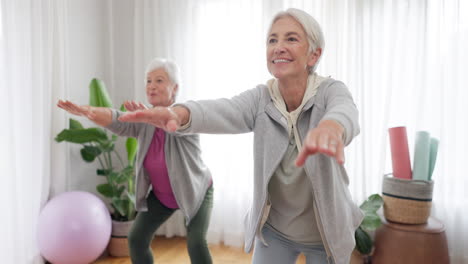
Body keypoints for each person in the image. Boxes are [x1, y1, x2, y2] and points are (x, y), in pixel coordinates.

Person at [118, 8, 363, 264]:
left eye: (291, 39)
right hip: (275, 233)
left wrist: (331, 127)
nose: (278, 46)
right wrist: (179, 113)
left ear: (314, 54)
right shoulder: (261, 99)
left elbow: (345, 110)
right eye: (272, 40)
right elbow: (222, 109)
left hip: (325, 235)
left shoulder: (330, 91)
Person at [57, 58, 214, 264]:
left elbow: (176, 127)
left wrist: (156, 118)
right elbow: (117, 119)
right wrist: (90, 112)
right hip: (162, 196)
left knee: (195, 242)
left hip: (196, 192)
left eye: (159, 80)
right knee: (137, 239)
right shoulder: (143, 121)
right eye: (148, 81)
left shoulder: (185, 117)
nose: (151, 86)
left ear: (174, 88)